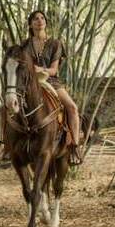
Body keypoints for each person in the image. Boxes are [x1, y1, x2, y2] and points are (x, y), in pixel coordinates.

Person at [23, 10, 83, 164]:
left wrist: (39, 69)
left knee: (72, 107)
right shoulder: (25, 45)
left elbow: (54, 70)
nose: (39, 21)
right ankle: (8, 147)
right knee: (8, 106)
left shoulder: (55, 43)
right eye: (35, 19)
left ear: (46, 22)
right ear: (30, 24)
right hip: (30, 83)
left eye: (42, 18)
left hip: (51, 82)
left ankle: (74, 146)